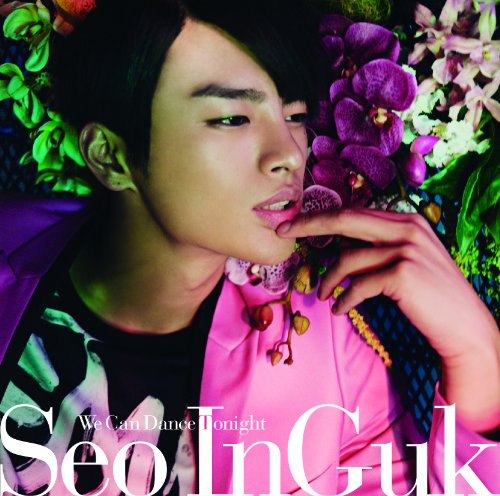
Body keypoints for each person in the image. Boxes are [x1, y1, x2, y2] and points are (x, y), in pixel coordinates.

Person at [0, 0, 498, 494]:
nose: (289, 154)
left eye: (296, 115)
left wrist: (477, 355)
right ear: (111, 156)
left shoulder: (323, 352)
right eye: (233, 118)